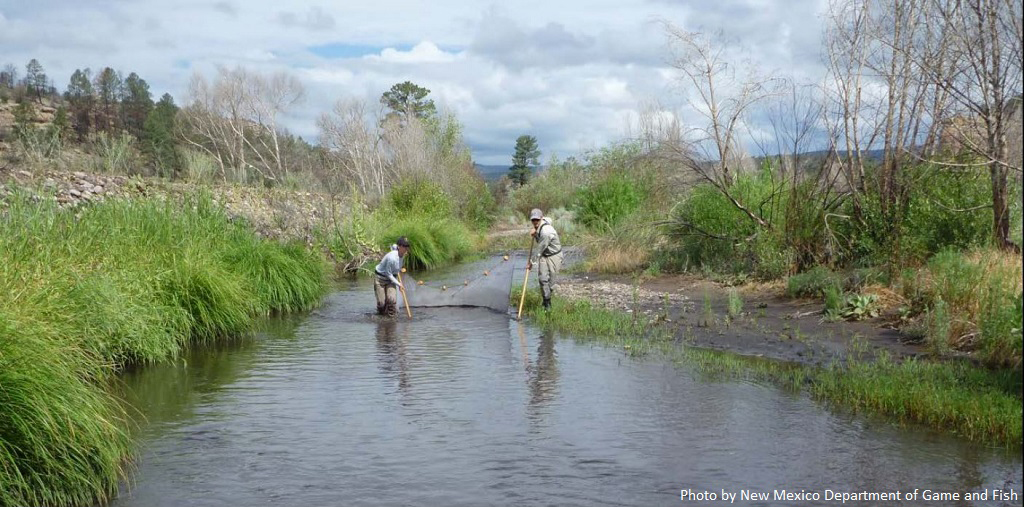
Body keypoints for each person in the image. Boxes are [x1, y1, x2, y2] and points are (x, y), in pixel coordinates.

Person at [526, 208, 562, 311]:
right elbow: (540, 244)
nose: (535, 222)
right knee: (542, 279)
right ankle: (547, 304)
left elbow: (540, 249)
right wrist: (536, 233)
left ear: (541, 218)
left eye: (537, 220)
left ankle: (546, 299)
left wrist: (531, 263)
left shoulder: (546, 231)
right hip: (544, 256)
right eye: (533, 220)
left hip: (554, 255)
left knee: (551, 283)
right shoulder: (539, 227)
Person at [374, 236, 410, 316]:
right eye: (404, 246)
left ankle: (391, 322)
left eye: (407, 246)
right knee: (382, 304)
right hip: (381, 279)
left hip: (391, 280)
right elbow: (388, 274)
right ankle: (381, 321)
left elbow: (394, 246)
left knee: (392, 302)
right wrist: (399, 284)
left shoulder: (403, 254)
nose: (406, 249)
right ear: (399, 246)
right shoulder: (392, 258)